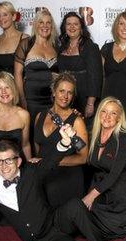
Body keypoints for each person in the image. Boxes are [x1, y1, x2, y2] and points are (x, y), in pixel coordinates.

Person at [0, 135, 124, 241]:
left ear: (19, 161)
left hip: (55, 220)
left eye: (8, 160)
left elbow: (50, 161)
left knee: (76, 204)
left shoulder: (31, 173)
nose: (4, 165)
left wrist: (63, 143)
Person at [34, 72, 88, 208]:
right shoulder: (40, 116)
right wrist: (42, 165)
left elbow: (83, 158)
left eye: (69, 93)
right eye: (62, 91)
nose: (65, 96)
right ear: (53, 92)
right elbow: (38, 147)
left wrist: (50, 161)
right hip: (43, 175)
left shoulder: (77, 121)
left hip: (66, 177)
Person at [83, 97, 126, 239]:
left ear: (119, 118)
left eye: (113, 113)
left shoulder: (125, 138)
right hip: (99, 185)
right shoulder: (93, 134)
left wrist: (90, 196)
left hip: (118, 189)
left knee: (104, 228)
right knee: (83, 218)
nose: (107, 116)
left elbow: (114, 175)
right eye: (104, 111)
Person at [14, 9, 59, 150]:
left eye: (48, 23)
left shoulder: (56, 46)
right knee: (32, 137)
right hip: (31, 101)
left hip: (51, 101)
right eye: (41, 22)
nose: (45, 26)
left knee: (50, 135)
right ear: (35, 25)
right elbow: (17, 74)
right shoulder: (26, 44)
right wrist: (22, 101)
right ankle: (33, 168)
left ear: (52, 26)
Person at [58, 12, 102, 122]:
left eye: (75, 24)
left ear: (81, 27)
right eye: (68, 24)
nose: (72, 27)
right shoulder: (62, 47)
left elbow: (95, 76)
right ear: (64, 27)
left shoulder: (90, 47)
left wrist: (90, 103)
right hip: (65, 97)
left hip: (83, 98)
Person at [0, 1, 28, 74]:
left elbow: (31, 68)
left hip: (20, 84)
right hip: (0, 85)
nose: (1, 18)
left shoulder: (24, 38)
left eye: (5, 15)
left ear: (13, 17)